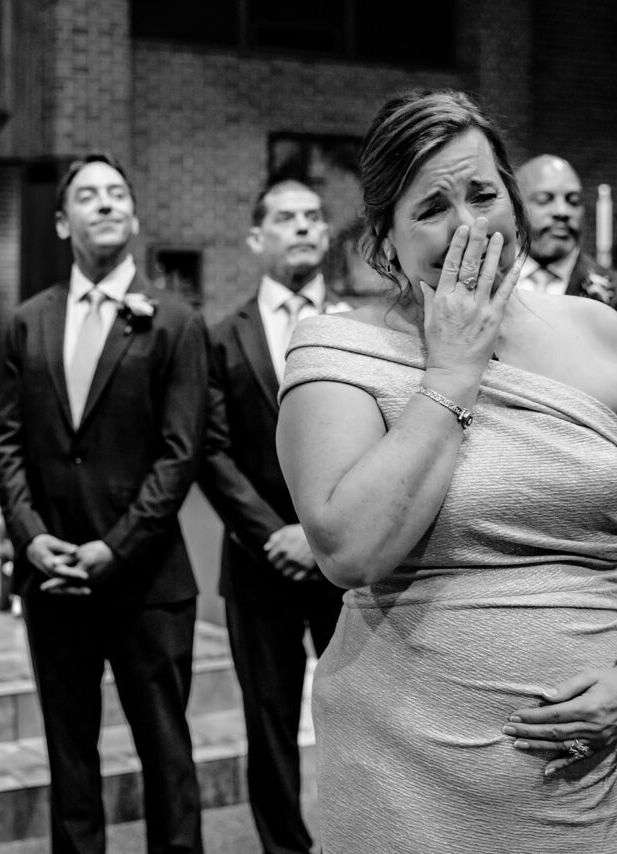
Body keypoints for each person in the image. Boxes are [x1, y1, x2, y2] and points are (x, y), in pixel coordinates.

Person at [275, 89, 617, 852]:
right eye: (431, 207)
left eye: (482, 193)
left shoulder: (599, 331)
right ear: (386, 235)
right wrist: (453, 371)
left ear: (513, 196)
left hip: (581, 778)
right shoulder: (335, 350)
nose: (468, 225)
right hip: (403, 780)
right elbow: (349, 552)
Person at [0, 152, 207, 854]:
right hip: (53, 579)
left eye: (117, 194)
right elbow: (8, 444)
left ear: (135, 217)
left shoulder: (174, 321)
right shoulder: (28, 323)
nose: (106, 204)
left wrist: (115, 546)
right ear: (62, 221)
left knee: (166, 755)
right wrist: (29, 536)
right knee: (70, 757)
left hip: (146, 581)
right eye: (88, 196)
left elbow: (180, 456)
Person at [198, 179, 345, 854]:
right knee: (269, 723)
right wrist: (275, 535)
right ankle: (285, 847)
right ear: (257, 238)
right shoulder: (222, 336)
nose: (304, 228)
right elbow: (211, 451)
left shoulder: (359, 324)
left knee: (361, 718)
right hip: (259, 565)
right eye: (286, 218)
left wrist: (322, 534)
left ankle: (358, 837)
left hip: (351, 557)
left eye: (314, 217)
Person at [515, 154, 617, 382]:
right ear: (515, 206)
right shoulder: (486, 281)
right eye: (545, 199)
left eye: (573, 201)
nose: (562, 212)